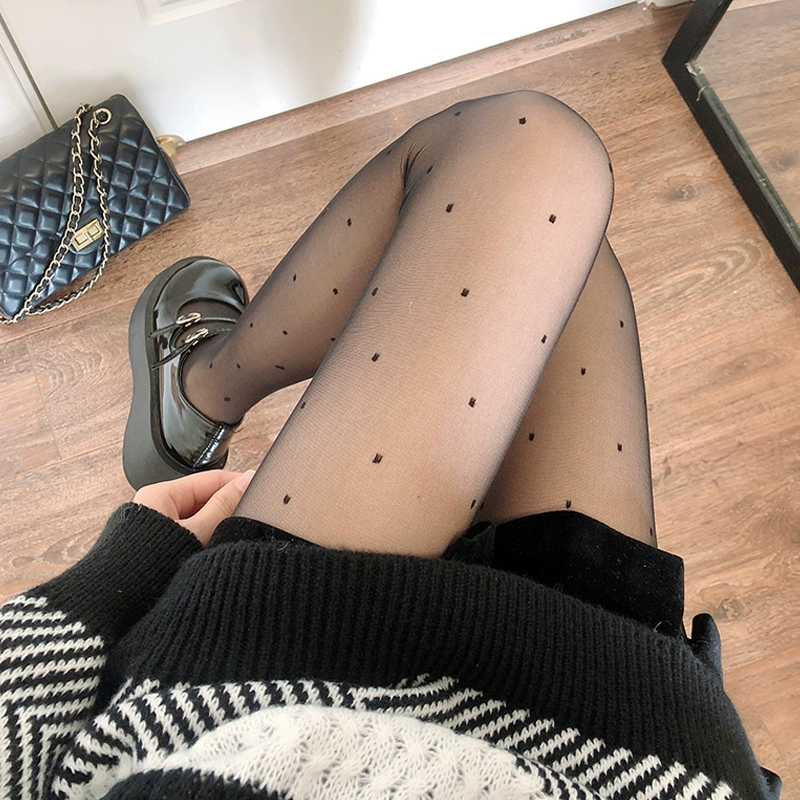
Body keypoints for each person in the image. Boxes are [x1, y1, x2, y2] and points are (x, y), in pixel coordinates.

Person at [0, 91, 780, 800]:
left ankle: (200, 394)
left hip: (287, 714)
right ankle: (201, 395)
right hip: (631, 733)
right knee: (552, 249)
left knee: (527, 155)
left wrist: (123, 570)